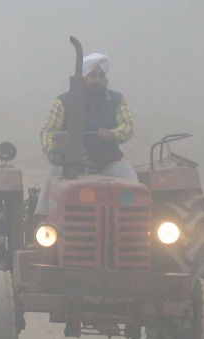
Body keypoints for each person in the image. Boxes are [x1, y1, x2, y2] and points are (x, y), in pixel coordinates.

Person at [34, 52, 137, 219]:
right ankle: (41, 221)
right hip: (72, 165)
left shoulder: (117, 100)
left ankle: (136, 222)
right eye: (93, 75)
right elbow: (48, 130)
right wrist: (52, 151)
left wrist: (113, 134)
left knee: (130, 178)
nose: (97, 80)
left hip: (108, 163)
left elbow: (128, 126)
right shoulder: (63, 102)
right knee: (53, 173)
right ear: (83, 78)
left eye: (101, 76)